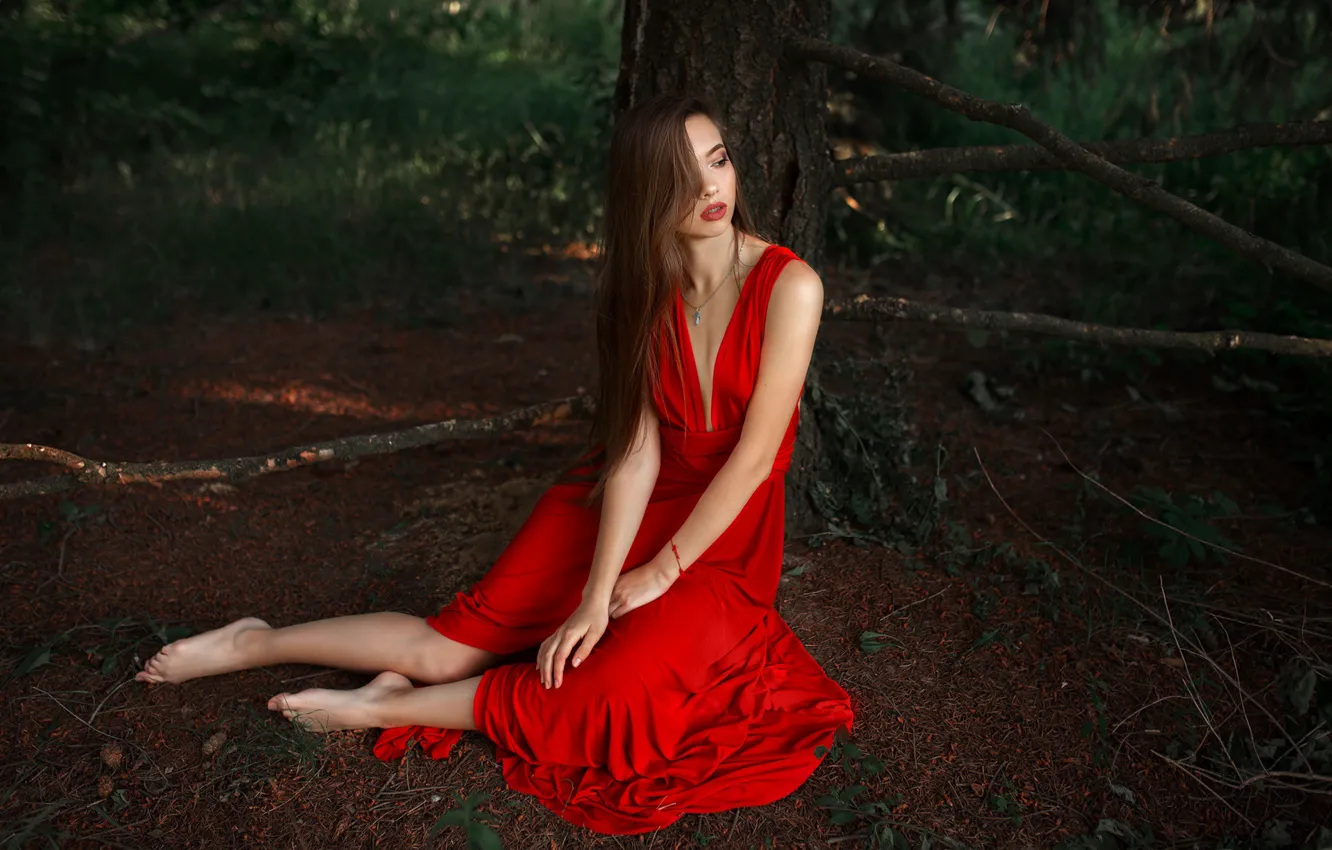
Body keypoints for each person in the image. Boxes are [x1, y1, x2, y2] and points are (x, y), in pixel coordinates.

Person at [135, 93, 855, 835]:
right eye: (684, 174)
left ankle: (387, 704)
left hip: (724, 537)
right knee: (445, 650)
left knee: (616, 692)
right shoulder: (644, 286)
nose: (712, 189)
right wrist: (597, 591)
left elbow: (753, 458)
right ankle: (253, 641)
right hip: (627, 498)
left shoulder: (789, 286)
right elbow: (639, 448)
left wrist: (657, 573)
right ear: (646, 191)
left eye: (719, 160)